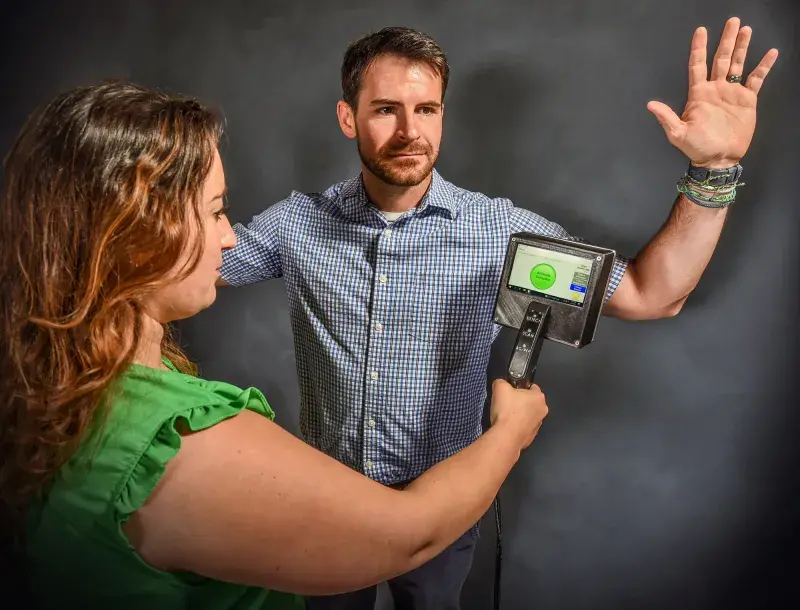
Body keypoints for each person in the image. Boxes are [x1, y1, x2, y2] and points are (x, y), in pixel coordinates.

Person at [216, 16, 778, 610]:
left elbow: (650, 293)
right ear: (347, 117)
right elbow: (185, 266)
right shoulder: (297, 224)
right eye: (385, 110)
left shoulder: (497, 232)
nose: (411, 130)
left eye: (427, 109)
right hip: (326, 503)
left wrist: (713, 172)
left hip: (445, 506)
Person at [0, 80, 551, 610]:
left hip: (435, 486)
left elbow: (640, 293)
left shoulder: (59, 390)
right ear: (137, 231)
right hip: (396, 509)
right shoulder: (185, 441)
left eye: (427, 109)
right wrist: (509, 431)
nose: (230, 235)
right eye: (215, 211)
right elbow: (409, 535)